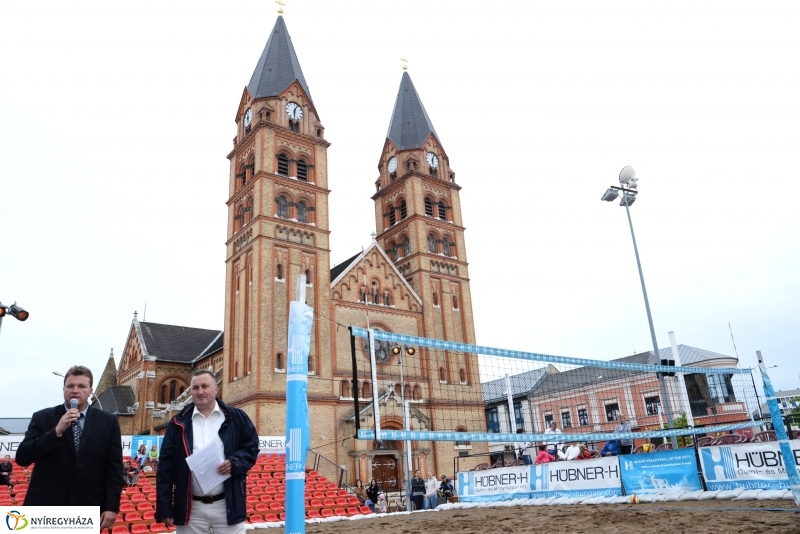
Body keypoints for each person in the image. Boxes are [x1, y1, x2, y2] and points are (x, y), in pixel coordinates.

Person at [16, 366, 123, 529]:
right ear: (63, 389)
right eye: (70, 386)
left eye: (81, 386)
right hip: (46, 508)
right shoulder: (42, 418)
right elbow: (23, 457)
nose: (75, 390)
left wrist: (111, 506)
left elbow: (114, 467)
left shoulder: (108, 422)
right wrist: (56, 431)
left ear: (90, 391)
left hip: (88, 507)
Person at [156, 369, 259, 534]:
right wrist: (164, 507)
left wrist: (235, 462)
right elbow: (165, 467)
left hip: (227, 505)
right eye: (195, 388)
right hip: (191, 509)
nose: (200, 391)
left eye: (205, 386)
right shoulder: (177, 422)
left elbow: (252, 447)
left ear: (216, 389)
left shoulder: (236, 417)